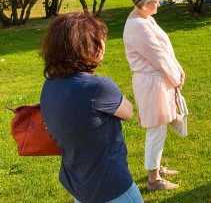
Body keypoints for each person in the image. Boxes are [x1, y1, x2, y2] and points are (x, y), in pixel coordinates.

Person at [40, 12, 142, 203]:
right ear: (91, 47)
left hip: (80, 187)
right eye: (100, 40)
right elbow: (128, 112)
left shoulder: (50, 84)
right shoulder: (98, 87)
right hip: (113, 189)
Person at [123, 0, 185, 191]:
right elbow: (157, 56)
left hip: (159, 79)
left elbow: (165, 49)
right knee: (156, 128)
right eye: (156, 1)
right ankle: (153, 180)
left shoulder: (146, 18)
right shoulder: (137, 26)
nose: (159, 4)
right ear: (144, 3)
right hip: (152, 83)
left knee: (161, 126)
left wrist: (177, 68)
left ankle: (156, 169)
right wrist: (176, 77)